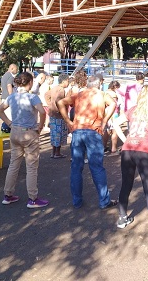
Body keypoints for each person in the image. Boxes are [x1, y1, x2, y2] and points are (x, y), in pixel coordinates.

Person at [112, 85, 148, 236]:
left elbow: (115, 123)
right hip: (144, 151)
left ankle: (122, 218)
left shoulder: (133, 109)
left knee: (126, 184)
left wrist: (125, 139)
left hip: (128, 149)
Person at [57, 74, 118, 209]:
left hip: (78, 132)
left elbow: (60, 102)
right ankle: (104, 201)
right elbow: (114, 103)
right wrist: (104, 121)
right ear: (99, 84)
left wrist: (68, 122)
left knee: (76, 168)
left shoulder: (79, 94)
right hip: (93, 132)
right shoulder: (102, 94)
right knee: (97, 168)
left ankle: (77, 201)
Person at [0, 71, 49, 208]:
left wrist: (9, 123)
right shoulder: (33, 98)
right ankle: (33, 198)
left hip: (15, 132)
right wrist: (40, 126)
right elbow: (42, 112)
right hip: (29, 133)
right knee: (31, 167)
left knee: (14, 164)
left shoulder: (12, 97)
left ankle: (7, 195)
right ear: (30, 83)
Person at [46, 73, 70, 158]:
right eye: (68, 81)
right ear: (64, 81)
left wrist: (50, 105)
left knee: (54, 133)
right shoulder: (61, 90)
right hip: (58, 115)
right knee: (58, 134)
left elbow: (47, 95)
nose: (69, 83)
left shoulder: (54, 88)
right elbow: (58, 101)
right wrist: (58, 110)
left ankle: (53, 152)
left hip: (53, 114)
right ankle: (57, 153)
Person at [103, 80, 123, 155]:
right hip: (114, 113)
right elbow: (116, 105)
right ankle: (113, 148)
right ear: (115, 87)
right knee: (115, 130)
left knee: (107, 130)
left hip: (106, 113)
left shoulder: (105, 92)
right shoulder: (114, 94)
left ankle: (104, 147)